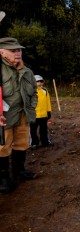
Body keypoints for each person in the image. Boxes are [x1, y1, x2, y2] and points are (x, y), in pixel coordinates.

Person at [0, 37, 38, 193]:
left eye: (19, 50)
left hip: (23, 114)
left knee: (22, 143)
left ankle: (19, 171)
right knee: (2, 147)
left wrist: (31, 107)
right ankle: (3, 177)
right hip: (4, 117)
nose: (17, 53)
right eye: (13, 50)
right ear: (2, 52)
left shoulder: (27, 71)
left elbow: (34, 92)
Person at [30, 75, 52, 149]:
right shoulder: (31, 91)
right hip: (34, 115)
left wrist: (49, 111)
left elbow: (48, 101)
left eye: (41, 81)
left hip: (43, 115)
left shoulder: (45, 91)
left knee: (43, 130)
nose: (39, 83)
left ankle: (45, 142)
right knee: (33, 131)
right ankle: (34, 143)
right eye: (37, 81)